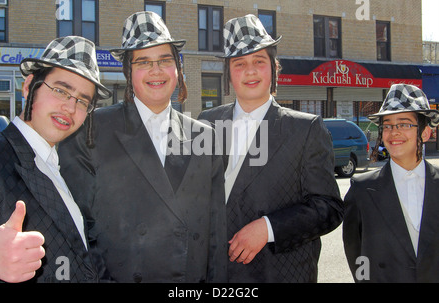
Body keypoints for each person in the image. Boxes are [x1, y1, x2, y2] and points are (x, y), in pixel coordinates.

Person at [58, 11, 227, 283]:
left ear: (178, 67)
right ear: (128, 71)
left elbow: (216, 235)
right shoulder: (91, 129)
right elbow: (75, 227)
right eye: (143, 62)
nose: (156, 70)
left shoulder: (204, 137)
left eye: (164, 60)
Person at [198, 14, 344, 283]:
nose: (250, 70)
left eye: (259, 61)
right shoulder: (206, 123)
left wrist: (268, 228)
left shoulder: (306, 129)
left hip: (277, 273)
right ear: (228, 74)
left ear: (274, 69)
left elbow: (329, 208)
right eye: (239, 63)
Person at [0, 36, 112, 283]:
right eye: (60, 90)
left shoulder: (65, 167)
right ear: (28, 86)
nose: (70, 107)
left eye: (82, 101)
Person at [343, 84, 439, 282]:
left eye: (404, 124)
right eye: (387, 125)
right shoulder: (361, 190)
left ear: (425, 133)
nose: (394, 132)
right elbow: (356, 253)